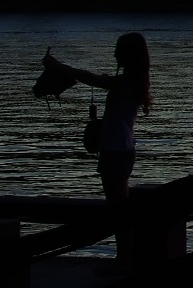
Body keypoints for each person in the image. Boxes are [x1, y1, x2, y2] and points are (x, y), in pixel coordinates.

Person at [43, 32, 153, 205]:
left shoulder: (126, 82)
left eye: (118, 50)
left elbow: (91, 79)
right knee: (121, 206)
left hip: (114, 151)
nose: (115, 54)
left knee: (117, 208)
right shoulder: (136, 82)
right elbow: (102, 81)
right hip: (124, 149)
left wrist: (58, 66)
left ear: (128, 54)